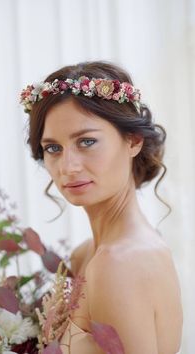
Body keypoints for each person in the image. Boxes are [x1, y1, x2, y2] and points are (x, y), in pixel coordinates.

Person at [20, 61, 183, 354]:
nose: (68, 167)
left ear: (133, 141)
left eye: (87, 141)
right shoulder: (87, 253)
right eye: (53, 148)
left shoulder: (119, 264)